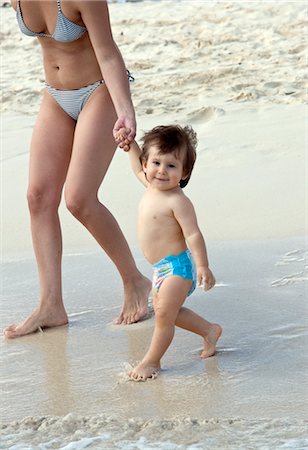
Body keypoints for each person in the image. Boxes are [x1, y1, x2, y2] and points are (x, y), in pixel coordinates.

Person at [3, 0, 152, 338]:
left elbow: (109, 53)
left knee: (79, 199)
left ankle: (135, 281)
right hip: (56, 95)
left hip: (98, 91)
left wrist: (126, 111)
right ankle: (51, 304)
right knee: (38, 197)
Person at [115, 125, 222, 381]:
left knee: (163, 316)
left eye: (171, 166)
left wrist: (203, 266)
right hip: (160, 269)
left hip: (178, 268)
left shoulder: (178, 201)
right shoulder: (149, 185)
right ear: (146, 164)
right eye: (156, 163)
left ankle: (152, 361)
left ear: (184, 172)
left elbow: (193, 234)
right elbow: (135, 166)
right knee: (170, 313)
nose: (161, 171)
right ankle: (209, 330)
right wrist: (130, 147)